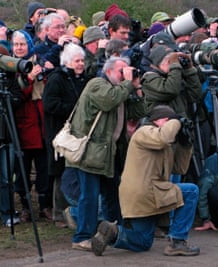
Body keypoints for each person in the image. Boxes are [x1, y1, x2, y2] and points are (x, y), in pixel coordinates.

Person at [91, 105, 200, 257]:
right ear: (158, 120)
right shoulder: (144, 132)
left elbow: (179, 169)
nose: (172, 126)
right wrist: (177, 121)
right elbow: (163, 138)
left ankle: (114, 232)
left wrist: (185, 144)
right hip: (145, 193)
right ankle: (178, 241)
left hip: (148, 195)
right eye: (168, 121)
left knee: (143, 241)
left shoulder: (162, 143)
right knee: (191, 191)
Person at [66, 56, 145, 251]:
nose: (125, 74)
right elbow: (109, 101)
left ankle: (111, 232)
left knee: (112, 195)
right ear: (108, 71)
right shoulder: (97, 84)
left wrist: (136, 87)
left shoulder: (121, 90)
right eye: (121, 71)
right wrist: (127, 84)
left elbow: (140, 110)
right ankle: (81, 236)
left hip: (108, 154)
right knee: (89, 196)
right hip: (91, 153)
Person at [43, 43, 89, 228]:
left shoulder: (83, 79)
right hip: (59, 133)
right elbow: (49, 105)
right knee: (60, 172)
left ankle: (74, 210)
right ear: (67, 62)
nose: (80, 64)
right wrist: (74, 110)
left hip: (78, 134)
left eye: (82, 60)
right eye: (77, 61)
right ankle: (59, 213)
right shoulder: (56, 79)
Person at [11, 30, 52, 223]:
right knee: (22, 170)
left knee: (44, 168)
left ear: (29, 45)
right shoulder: (9, 67)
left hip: (40, 124)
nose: (19, 48)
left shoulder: (39, 63)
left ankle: (45, 206)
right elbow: (15, 97)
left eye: (22, 44)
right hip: (21, 126)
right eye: (16, 45)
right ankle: (26, 207)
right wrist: (28, 78)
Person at [0, 44, 22, 227]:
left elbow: (17, 102)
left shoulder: (9, 80)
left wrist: (0, 92)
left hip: (8, 135)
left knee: (6, 177)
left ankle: (7, 212)